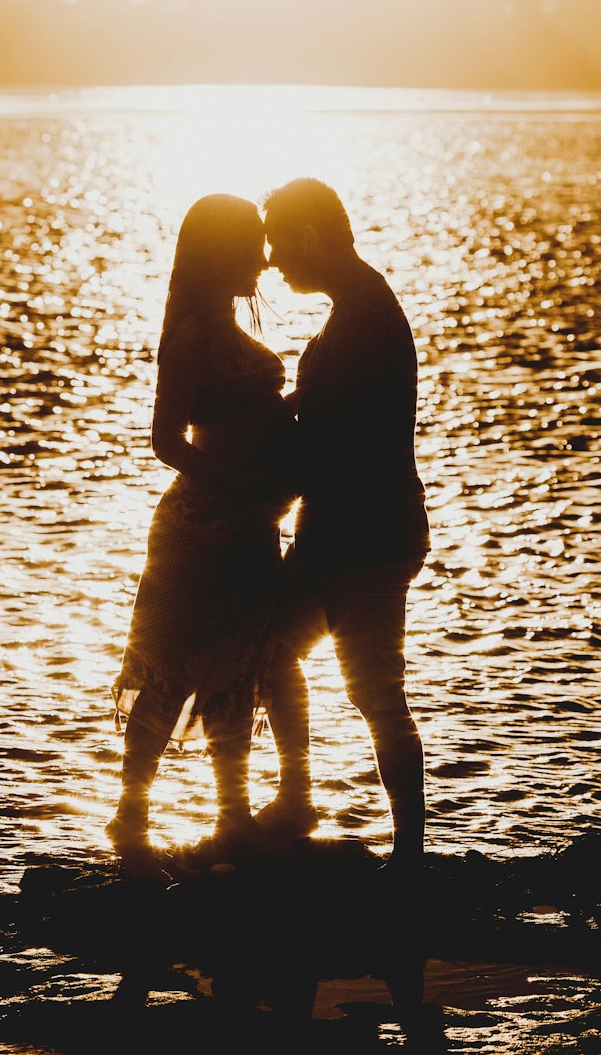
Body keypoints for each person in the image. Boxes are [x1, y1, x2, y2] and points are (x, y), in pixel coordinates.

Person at [108, 193, 299, 875]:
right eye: (251, 242)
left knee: (235, 677)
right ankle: (130, 823)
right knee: (169, 675)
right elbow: (165, 439)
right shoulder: (190, 335)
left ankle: (234, 819)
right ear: (222, 250)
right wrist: (235, 480)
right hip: (196, 535)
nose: (264, 256)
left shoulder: (227, 329)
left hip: (250, 536)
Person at [257, 177, 430, 873]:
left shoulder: (362, 320)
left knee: (374, 691)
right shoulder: (356, 308)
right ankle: (297, 796)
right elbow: (325, 411)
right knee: (270, 648)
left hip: (367, 538)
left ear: (308, 235)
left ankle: (410, 858)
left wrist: (254, 483)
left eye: (277, 242)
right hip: (338, 533)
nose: (271, 260)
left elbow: (340, 436)